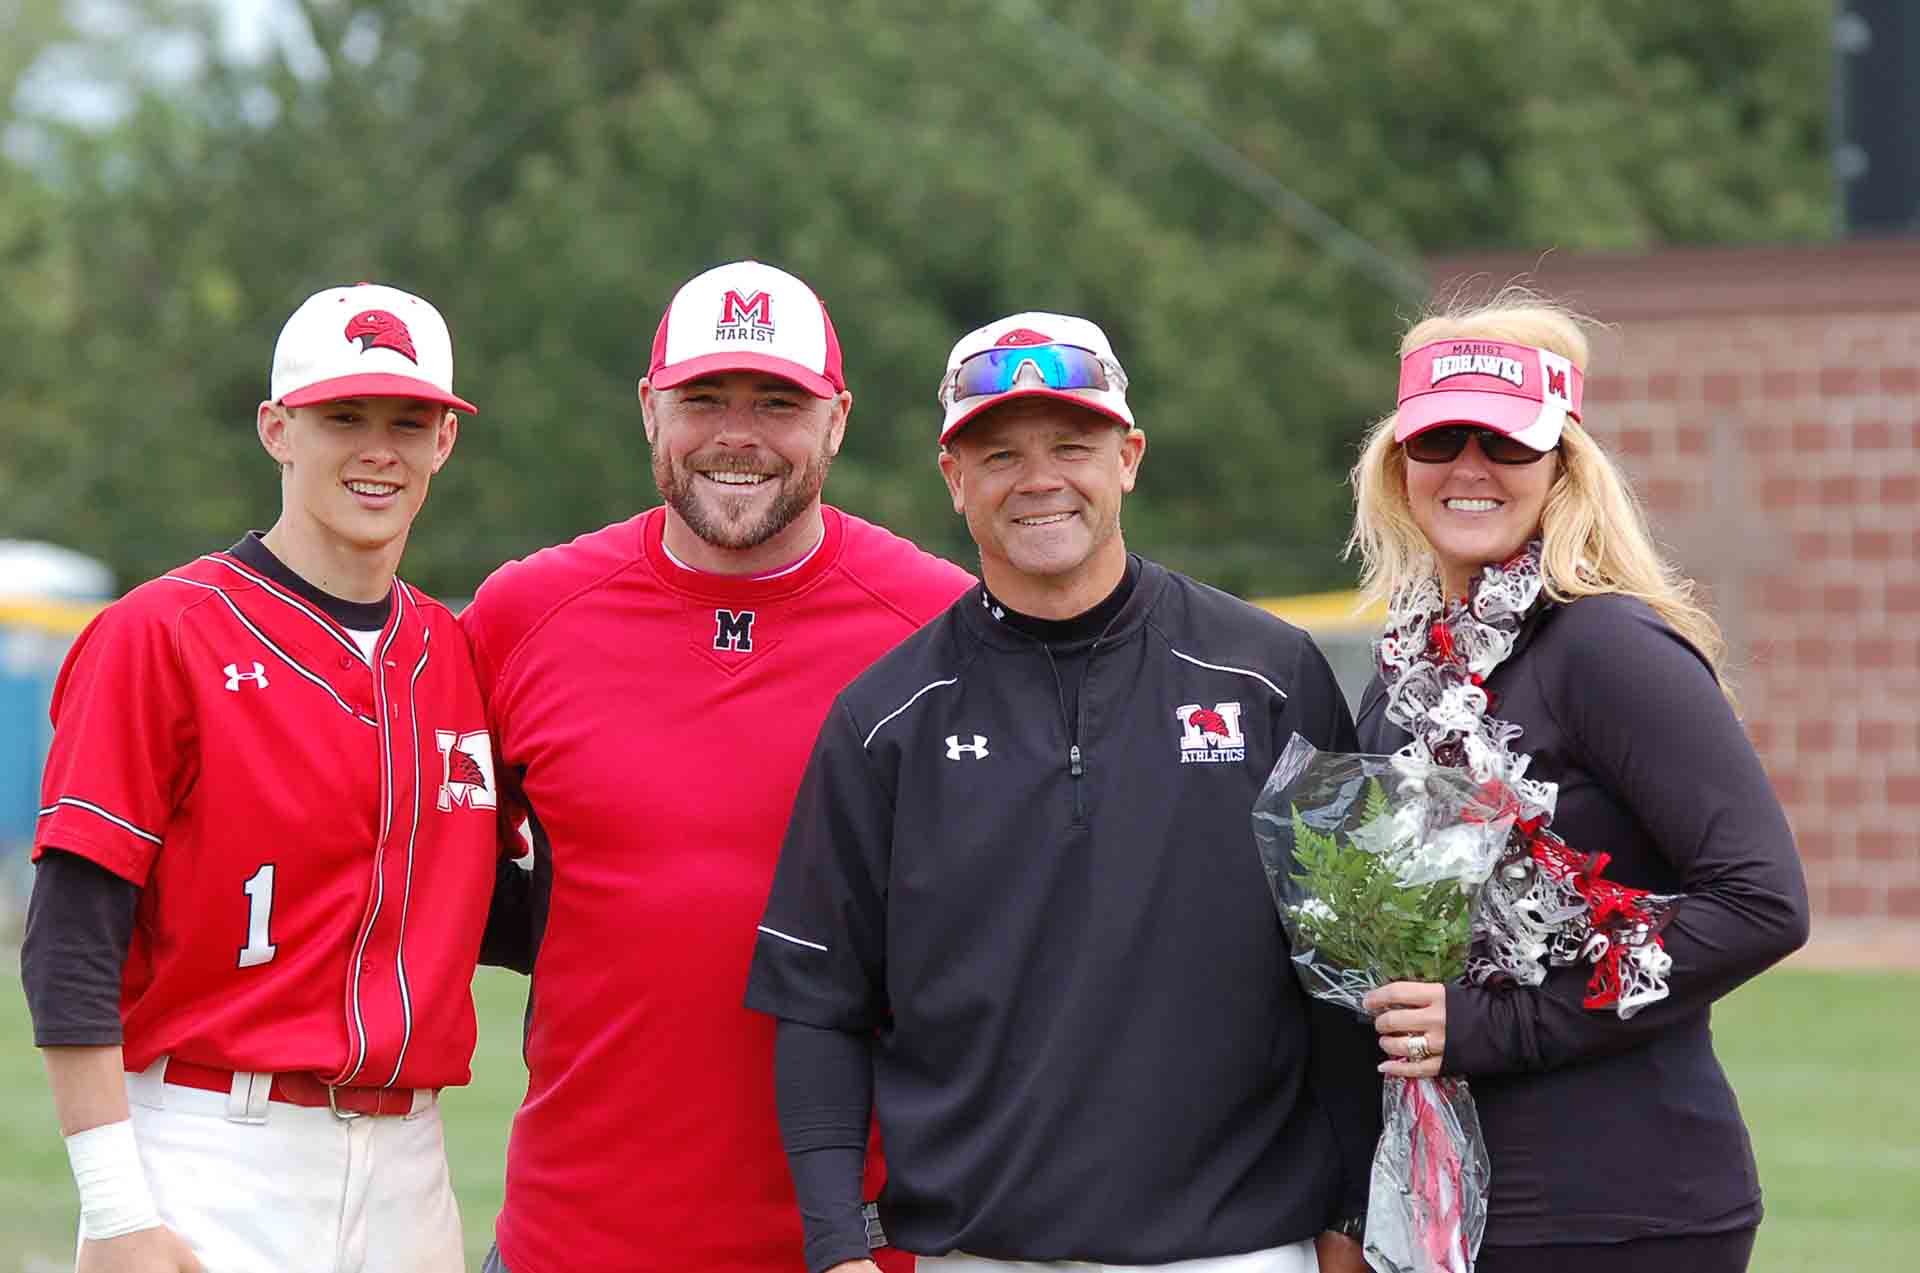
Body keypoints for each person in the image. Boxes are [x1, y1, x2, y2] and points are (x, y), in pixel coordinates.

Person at [746, 312, 1381, 1273]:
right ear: (954, 480)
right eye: (998, 452)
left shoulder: (1268, 675)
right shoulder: (886, 718)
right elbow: (820, 1005)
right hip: (981, 1252)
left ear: (1128, 456)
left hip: (1241, 1249)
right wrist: (837, 1246)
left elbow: (1346, 980)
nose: (1038, 479)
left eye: (1072, 445)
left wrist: (1351, 1214)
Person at [460, 259, 974, 1273]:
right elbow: (432, 863)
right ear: (649, 408)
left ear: (837, 419)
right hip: (576, 1239)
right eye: (704, 399)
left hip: (866, 1249)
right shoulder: (526, 614)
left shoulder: (943, 622)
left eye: (778, 402)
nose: (737, 435)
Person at [24, 282, 504, 1273]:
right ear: (277, 428)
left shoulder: (458, 654)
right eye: (344, 417)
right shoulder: (161, 634)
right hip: (211, 1143)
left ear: (444, 443)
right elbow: (70, 934)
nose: (380, 449)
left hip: (412, 1163)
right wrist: (116, 1207)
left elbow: (505, 908)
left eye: (408, 421)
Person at [1346, 292, 1810, 1273]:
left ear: (1562, 464)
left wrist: (1494, 1024)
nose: (1470, 469)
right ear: (1398, 467)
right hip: (1444, 1209)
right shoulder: (1404, 673)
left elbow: (1763, 901)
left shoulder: (1606, 644)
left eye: (1507, 444)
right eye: (1439, 441)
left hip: (1626, 1210)